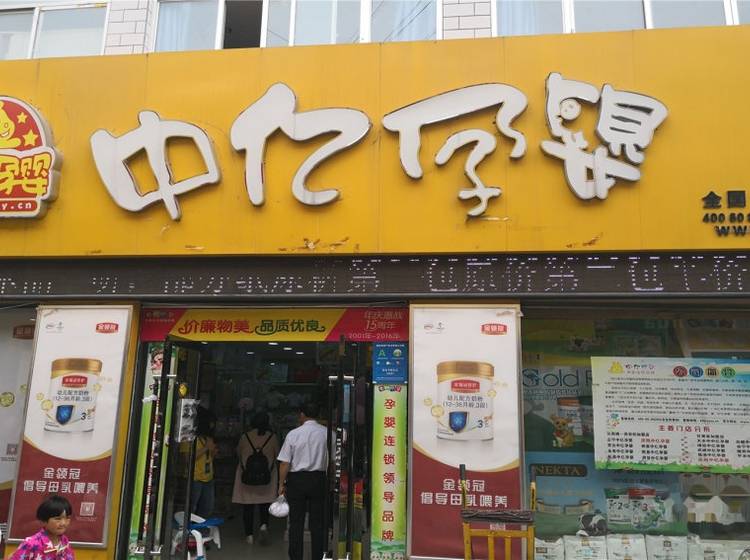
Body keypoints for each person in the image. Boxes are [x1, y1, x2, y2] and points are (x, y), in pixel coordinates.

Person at [277, 402, 328, 560]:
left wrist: (281, 484)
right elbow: (333, 461)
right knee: (318, 523)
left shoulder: (293, 434)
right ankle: (318, 556)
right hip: (319, 479)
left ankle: (296, 556)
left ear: (302, 415)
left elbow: (285, 463)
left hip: (297, 480)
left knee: (296, 522)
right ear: (319, 414)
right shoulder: (328, 433)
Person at [232, 411, 280, 545]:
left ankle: (249, 535)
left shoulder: (245, 437)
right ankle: (263, 525)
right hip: (266, 477)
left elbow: (238, 453)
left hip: (248, 477)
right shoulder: (273, 437)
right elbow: (278, 455)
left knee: (248, 507)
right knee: (265, 504)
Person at [11, 495, 75, 560]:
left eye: (67, 518)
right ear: (43, 521)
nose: (63, 523)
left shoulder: (64, 541)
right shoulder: (30, 544)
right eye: (58, 519)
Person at [191, 407, 217, 519]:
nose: (212, 425)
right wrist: (206, 448)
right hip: (195, 478)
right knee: (192, 507)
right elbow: (188, 459)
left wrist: (213, 451)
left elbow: (211, 457)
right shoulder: (191, 439)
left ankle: (200, 526)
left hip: (208, 477)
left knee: (207, 508)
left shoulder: (208, 438)